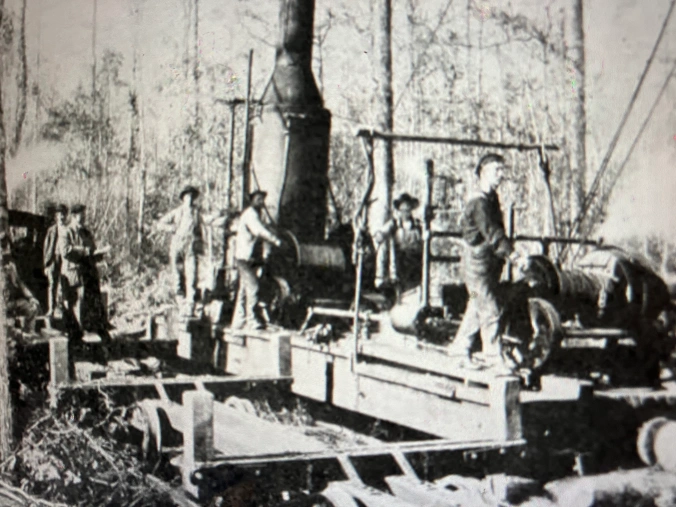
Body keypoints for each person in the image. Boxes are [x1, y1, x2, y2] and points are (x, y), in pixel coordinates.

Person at [448, 154, 520, 370]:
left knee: (475, 305)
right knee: (490, 308)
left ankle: (458, 349)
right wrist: (513, 255)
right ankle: (493, 358)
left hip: (487, 265)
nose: (502, 175)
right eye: (497, 170)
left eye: (502, 170)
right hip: (476, 266)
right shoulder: (478, 202)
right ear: (483, 172)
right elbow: (493, 232)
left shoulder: (491, 198)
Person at [156, 185, 217, 315]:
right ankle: (181, 302)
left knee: (192, 275)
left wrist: (218, 217)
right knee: (178, 276)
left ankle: (190, 304)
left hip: (190, 248)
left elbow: (207, 220)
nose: (189, 199)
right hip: (177, 247)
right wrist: (171, 228)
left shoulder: (196, 213)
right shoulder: (177, 212)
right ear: (183, 198)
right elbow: (160, 224)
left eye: (191, 197)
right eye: (187, 196)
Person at [231, 190, 283, 330]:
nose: (261, 202)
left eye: (262, 199)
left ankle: (238, 321)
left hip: (248, 258)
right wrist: (276, 241)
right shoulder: (250, 215)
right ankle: (251, 320)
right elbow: (258, 231)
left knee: (243, 290)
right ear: (252, 200)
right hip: (244, 258)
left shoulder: (255, 215)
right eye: (258, 199)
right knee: (253, 287)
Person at [59, 204, 111, 343]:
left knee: (92, 303)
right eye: (83, 215)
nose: (85, 217)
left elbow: (92, 251)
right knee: (76, 305)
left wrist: (100, 254)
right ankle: (77, 337)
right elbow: (65, 251)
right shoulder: (66, 232)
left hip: (88, 273)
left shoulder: (86, 233)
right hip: (74, 274)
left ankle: (96, 331)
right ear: (75, 216)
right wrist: (85, 251)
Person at [373, 193, 424, 294]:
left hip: (415, 264)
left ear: (411, 210)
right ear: (399, 211)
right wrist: (379, 235)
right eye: (403, 210)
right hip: (400, 263)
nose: (405, 213)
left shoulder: (418, 225)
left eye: (407, 210)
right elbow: (382, 232)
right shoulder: (394, 224)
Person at [1, 233, 41, 334]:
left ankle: (28, 334)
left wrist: (31, 297)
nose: (6, 249)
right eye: (3, 245)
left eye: (6, 245)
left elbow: (20, 283)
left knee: (32, 307)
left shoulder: (11, 265)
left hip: (12, 302)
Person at [43, 203, 68, 318]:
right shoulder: (51, 230)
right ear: (56, 216)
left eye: (63, 214)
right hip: (53, 259)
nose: (62, 217)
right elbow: (46, 248)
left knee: (63, 284)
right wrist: (46, 265)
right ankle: (51, 309)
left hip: (64, 260)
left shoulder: (67, 230)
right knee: (52, 284)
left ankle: (63, 309)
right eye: (59, 214)